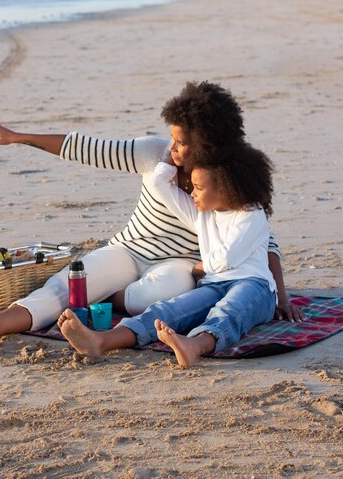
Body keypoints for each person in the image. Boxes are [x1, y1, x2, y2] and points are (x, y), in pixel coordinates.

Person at [0, 81, 302, 348]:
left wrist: (280, 296)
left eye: (182, 143)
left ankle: (109, 304)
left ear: (208, 145)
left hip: (180, 266)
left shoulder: (229, 180)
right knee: (69, 284)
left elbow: (261, 237)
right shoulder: (152, 154)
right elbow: (85, 148)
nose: (172, 148)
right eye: (171, 139)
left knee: (162, 293)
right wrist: (16, 137)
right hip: (129, 250)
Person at [57, 143, 280, 367]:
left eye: (198, 188)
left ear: (224, 189)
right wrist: (173, 154)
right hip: (213, 284)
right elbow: (158, 184)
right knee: (169, 309)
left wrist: (197, 269)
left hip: (255, 285)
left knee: (229, 311)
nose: (192, 193)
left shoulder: (251, 213)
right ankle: (101, 341)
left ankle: (195, 346)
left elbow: (226, 259)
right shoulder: (201, 213)